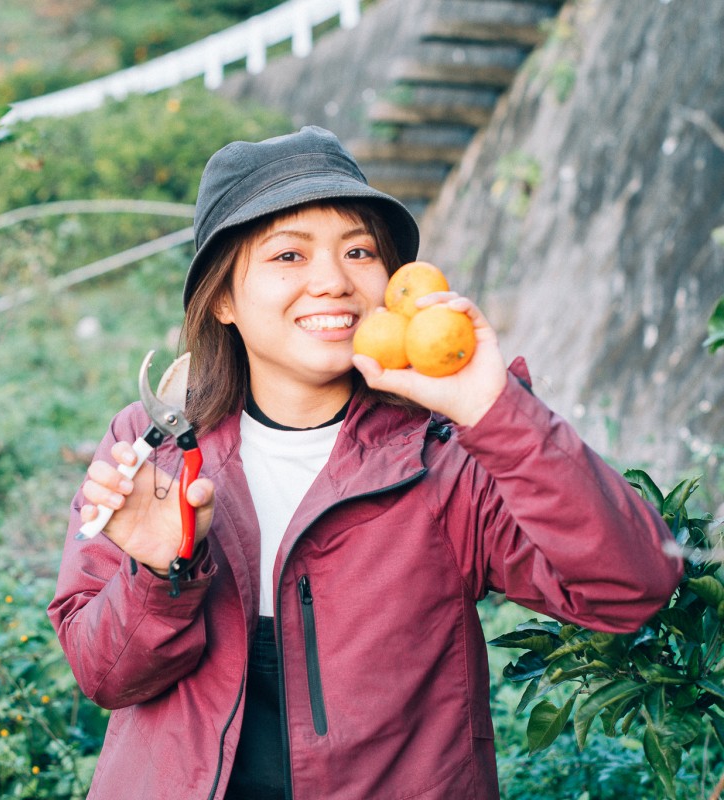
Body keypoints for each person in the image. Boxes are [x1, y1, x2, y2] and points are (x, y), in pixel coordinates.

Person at [49, 126, 683, 800]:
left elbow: (632, 588)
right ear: (225, 299)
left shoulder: (444, 456)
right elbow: (105, 677)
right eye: (289, 255)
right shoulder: (154, 446)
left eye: (359, 250)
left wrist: (497, 413)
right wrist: (160, 573)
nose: (333, 281)